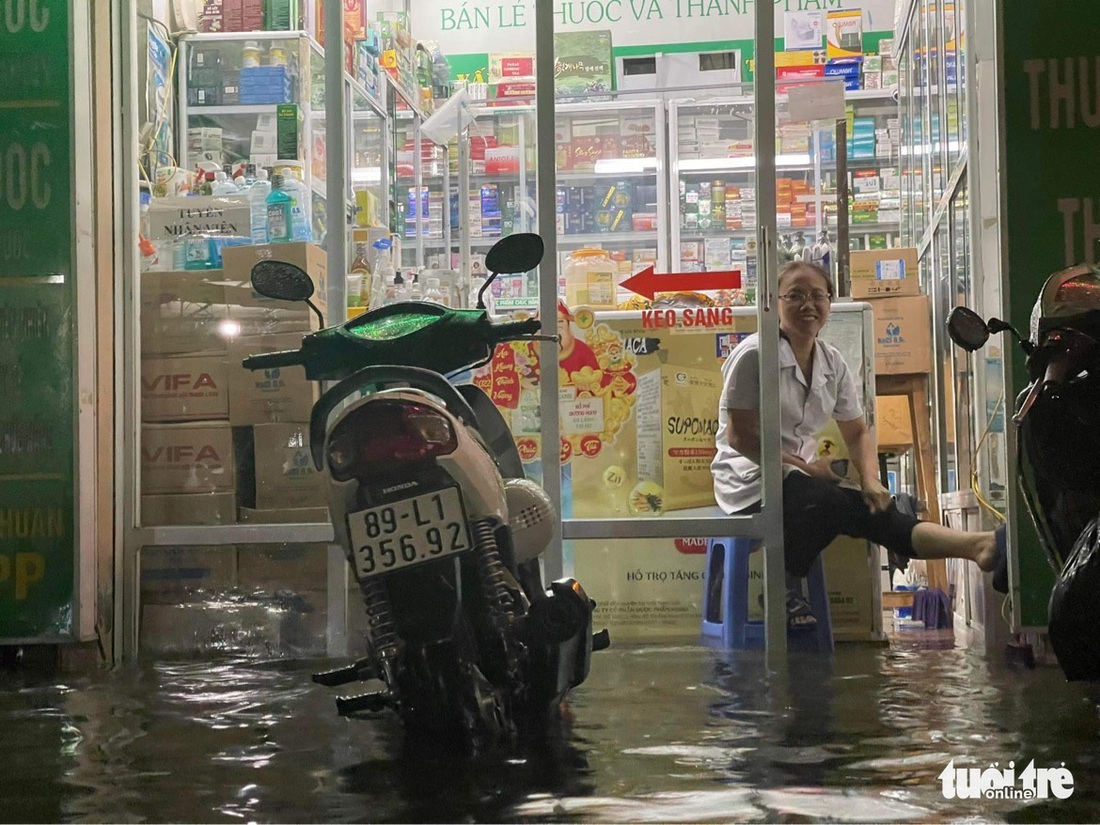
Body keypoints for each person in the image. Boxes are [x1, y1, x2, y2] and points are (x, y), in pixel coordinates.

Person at [711, 260, 1001, 629]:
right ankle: (782, 586)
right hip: (749, 476)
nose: (807, 305)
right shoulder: (753, 355)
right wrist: (802, 467)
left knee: (872, 508)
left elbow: (857, 431)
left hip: (800, 478)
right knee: (829, 500)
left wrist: (870, 479)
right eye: (795, 296)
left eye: (817, 295)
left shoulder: (832, 362)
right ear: (774, 303)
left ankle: (977, 546)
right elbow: (740, 437)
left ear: (829, 302)